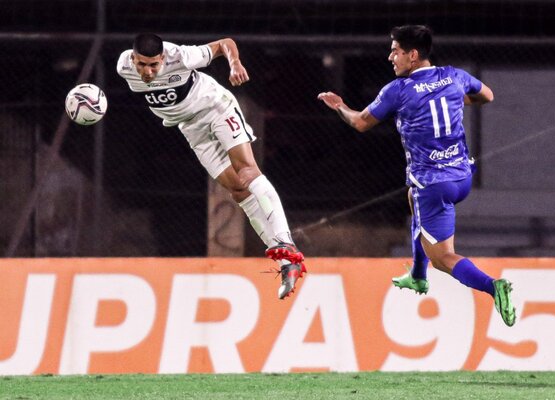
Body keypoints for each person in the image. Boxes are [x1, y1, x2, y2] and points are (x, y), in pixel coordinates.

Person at [318, 25, 515, 326]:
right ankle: (417, 275)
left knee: (443, 258)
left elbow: (360, 123)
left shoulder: (398, 90)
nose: (390, 57)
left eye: (395, 51)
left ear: (412, 55)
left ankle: (492, 287)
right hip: (461, 177)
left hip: (434, 184)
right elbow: (487, 95)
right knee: (412, 196)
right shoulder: (454, 76)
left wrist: (340, 106)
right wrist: (455, 100)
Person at [117, 33, 306, 300]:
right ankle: (284, 258)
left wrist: (235, 64)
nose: (147, 72)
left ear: (163, 58)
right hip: (191, 128)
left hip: (216, 108)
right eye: (142, 65)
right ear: (133, 58)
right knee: (238, 190)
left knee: (247, 171)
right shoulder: (123, 66)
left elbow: (223, 44)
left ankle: (287, 248)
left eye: (154, 65)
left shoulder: (180, 56)